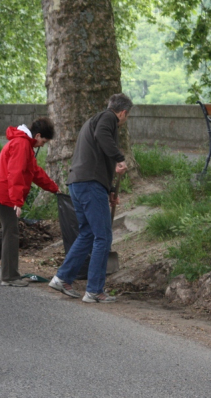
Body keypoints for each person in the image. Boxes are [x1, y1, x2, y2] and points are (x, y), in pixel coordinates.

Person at [49, 93, 133, 303]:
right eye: (126, 116)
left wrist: (111, 189)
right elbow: (104, 138)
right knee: (103, 236)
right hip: (89, 185)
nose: (124, 120)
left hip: (79, 183)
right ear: (123, 113)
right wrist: (120, 159)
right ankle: (94, 290)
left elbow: (98, 157)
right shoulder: (108, 119)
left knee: (87, 233)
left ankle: (62, 277)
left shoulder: (93, 120)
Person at [0, 118, 59, 287]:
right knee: (12, 232)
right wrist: (17, 202)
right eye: (43, 141)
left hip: (2, 191)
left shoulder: (25, 145)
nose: (42, 145)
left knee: (8, 228)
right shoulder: (21, 145)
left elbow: (34, 171)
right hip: (4, 193)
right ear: (37, 135)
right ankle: (9, 276)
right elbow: (16, 174)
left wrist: (54, 188)